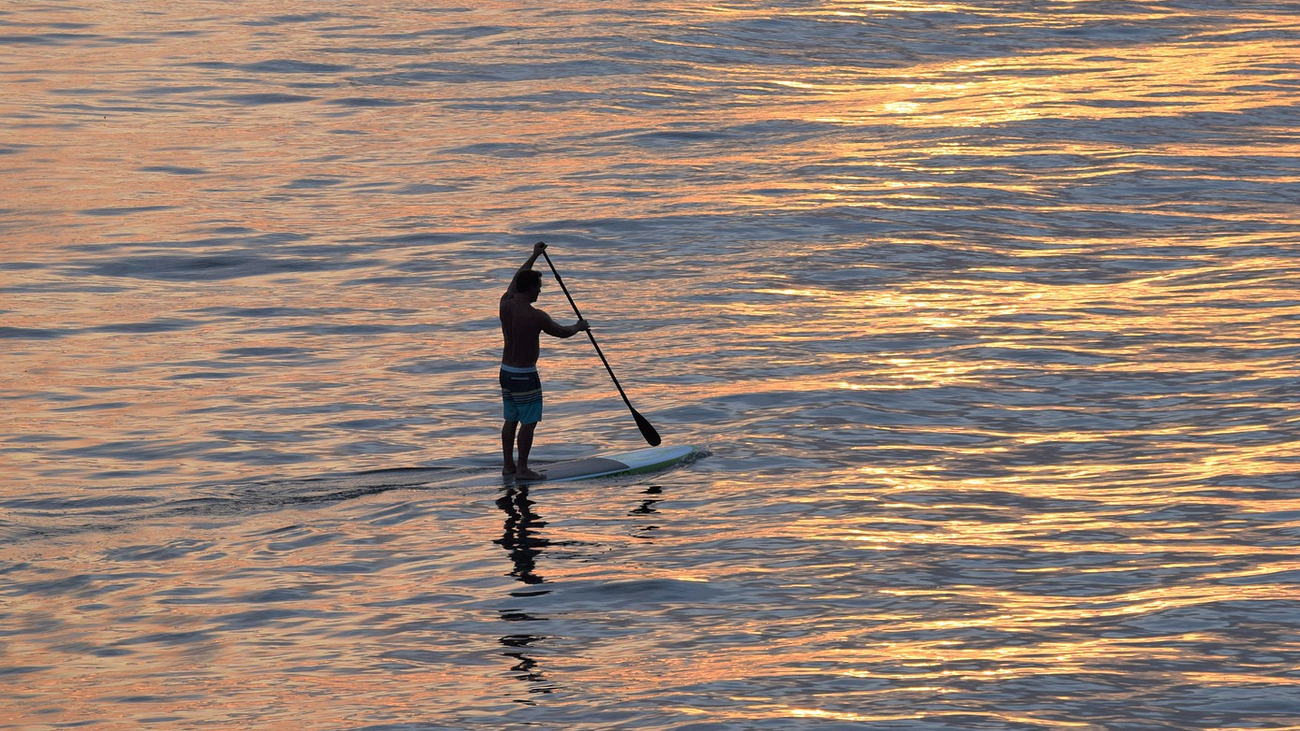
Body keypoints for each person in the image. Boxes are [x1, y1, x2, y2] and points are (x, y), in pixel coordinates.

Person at [499, 242, 589, 480]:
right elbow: (561, 332)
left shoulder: (505, 303)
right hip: (525, 375)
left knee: (511, 419)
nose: (540, 292)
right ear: (529, 288)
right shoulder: (536, 316)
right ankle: (522, 470)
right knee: (528, 423)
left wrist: (534, 255)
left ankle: (509, 465)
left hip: (506, 372)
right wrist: (578, 327)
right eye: (538, 287)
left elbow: (518, 276)